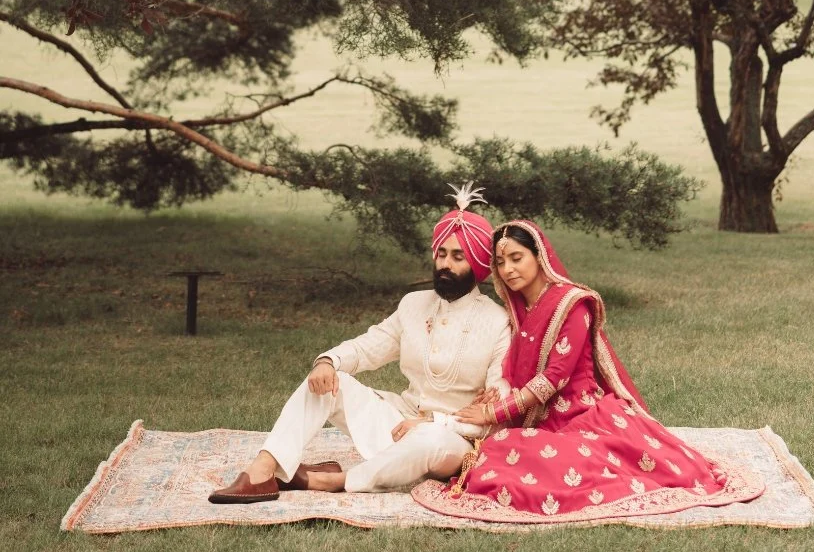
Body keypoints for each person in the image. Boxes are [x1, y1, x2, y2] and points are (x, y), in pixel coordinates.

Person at [412, 220, 764, 524]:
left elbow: (554, 377)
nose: (507, 270)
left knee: (527, 462)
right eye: (500, 262)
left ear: (540, 256)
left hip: (581, 416)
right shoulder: (521, 308)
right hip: (540, 419)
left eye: (517, 258)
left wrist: (496, 411)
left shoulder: (572, 303)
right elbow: (517, 366)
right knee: (502, 451)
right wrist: (498, 389)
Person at [208, 185, 510, 503]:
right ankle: (264, 470)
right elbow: (370, 346)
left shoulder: (497, 321)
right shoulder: (414, 304)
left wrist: (435, 421)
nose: (445, 265)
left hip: (450, 440)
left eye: (458, 257)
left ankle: (334, 480)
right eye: (442, 254)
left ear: (477, 264)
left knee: (431, 439)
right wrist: (328, 362)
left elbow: (496, 411)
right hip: (398, 423)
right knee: (326, 383)